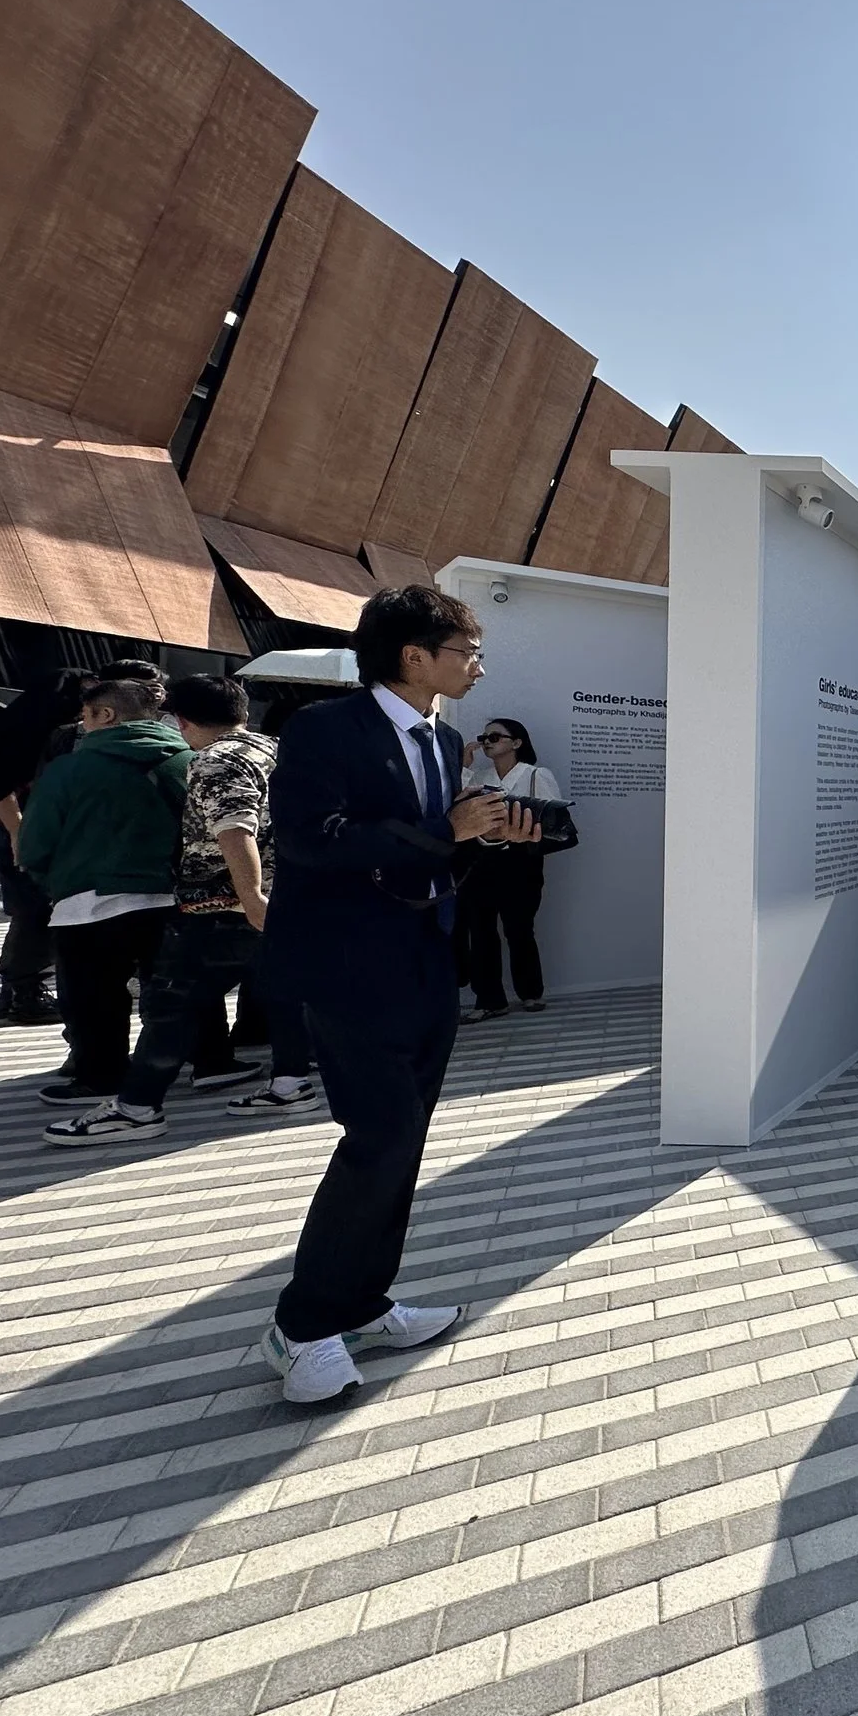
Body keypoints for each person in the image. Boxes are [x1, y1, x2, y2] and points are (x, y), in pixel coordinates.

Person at [257, 586, 537, 1405]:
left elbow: (426, 861)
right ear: (416, 654)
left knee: (404, 1141)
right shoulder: (322, 729)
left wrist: (483, 841)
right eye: (469, 649)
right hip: (347, 966)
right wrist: (446, 832)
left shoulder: (445, 742)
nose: (479, 665)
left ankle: (362, 1302)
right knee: (379, 1134)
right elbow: (311, 841)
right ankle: (301, 1324)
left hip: (422, 961)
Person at [43, 675, 319, 1144]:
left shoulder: (216, 760)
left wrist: (251, 898)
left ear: (180, 719)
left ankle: (137, 1106)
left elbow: (236, 828)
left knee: (171, 1003)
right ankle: (290, 1081)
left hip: (222, 905)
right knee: (281, 991)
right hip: (286, 896)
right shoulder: (273, 749)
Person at [15, 674, 192, 1107]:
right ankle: (187, 1063)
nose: (82, 725)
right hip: (172, 897)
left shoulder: (69, 769)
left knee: (93, 998)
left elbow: (35, 841)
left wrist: (50, 881)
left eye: (86, 716)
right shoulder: (184, 760)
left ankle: (100, 1076)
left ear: (105, 714)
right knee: (172, 989)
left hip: (86, 901)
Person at [0, 668, 85, 1026]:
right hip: (21, 830)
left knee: (30, 911)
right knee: (36, 911)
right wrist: (21, 836)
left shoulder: (24, 725)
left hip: (21, 830)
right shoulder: (32, 733)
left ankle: (14, 993)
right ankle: (26, 995)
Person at [457, 716, 564, 1021]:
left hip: (521, 860)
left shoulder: (535, 775)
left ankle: (531, 992)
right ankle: (489, 999)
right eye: (485, 737)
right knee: (480, 930)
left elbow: (552, 816)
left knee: (519, 928)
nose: (487, 742)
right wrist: (465, 766)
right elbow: (457, 805)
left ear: (517, 742)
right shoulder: (479, 775)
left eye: (495, 737)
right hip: (481, 860)